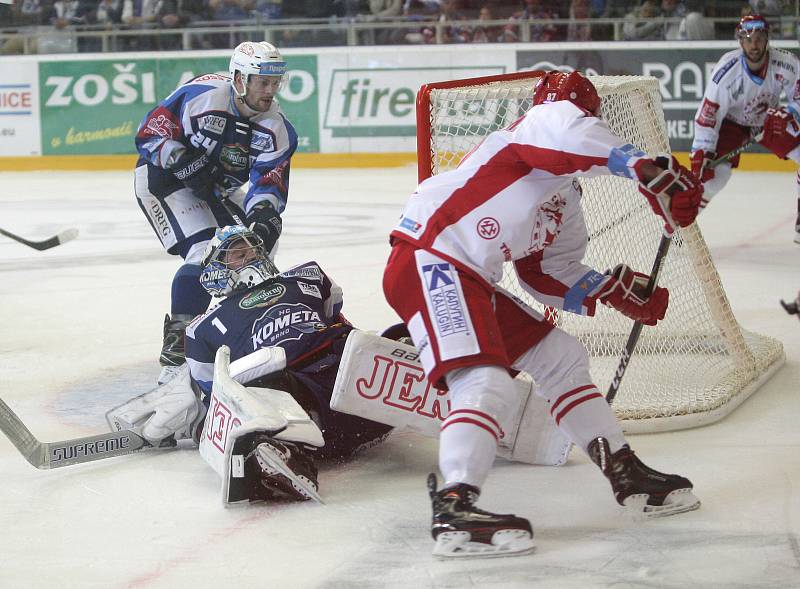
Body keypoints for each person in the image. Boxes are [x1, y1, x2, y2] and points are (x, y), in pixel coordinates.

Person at [382, 70, 704, 558]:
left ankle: (623, 470)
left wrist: (608, 290)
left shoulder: (564, 193)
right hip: (431, 257)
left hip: (465, 275)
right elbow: (565, 130)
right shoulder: (532, 130)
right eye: (580, 115)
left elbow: (546, 274)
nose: (577, 119)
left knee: (561, 354)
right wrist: (644, 167)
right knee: (485, 382)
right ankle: (455, 506)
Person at [107, 225, 392, 503]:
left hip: (354, 378)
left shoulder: (307, 276)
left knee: (384, 339)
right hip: (304, 402)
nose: (250, 257)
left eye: (253, 250)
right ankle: (281, 456)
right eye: (238, 254)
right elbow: (218, 388)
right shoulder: (201, 329)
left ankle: (421, 372)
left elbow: (336, 315)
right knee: (261, 386)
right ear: (215, 270)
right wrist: (197, 420)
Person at [134, 41, 298, 385]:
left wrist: (264, 217)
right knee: (206, 249)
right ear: (239, 79)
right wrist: (181, 160)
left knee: (253, 252)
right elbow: (150, 134)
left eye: (274, 83)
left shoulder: (277, 128)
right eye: (261, 82)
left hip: (217, 189)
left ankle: (238, 340)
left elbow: (268, 183)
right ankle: (176, 360)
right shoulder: (201, 94)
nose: (269, 91)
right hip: (162, 179)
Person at [691, 14, 800, 244]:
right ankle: (684, 225)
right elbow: (709, 116)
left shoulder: (787, 64)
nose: (754, 44)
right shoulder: (726, 73)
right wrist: (702, 150)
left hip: (769, 121)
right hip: (733, 125)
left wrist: (790, 113)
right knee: (715, 179)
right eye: (748, 39)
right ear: (740, 41)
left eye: (759, 38)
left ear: (767, 39)